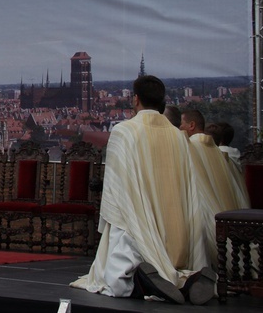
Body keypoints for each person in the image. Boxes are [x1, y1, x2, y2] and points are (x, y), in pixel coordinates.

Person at [71, 75, 213, 305]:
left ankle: (142, 281)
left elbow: (116, 189)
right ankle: (187, 281)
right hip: (176, 228)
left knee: (115, 278)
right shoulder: (178, 136)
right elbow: (189, 185)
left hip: (139, 223)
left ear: (135, 99)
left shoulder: (124, 131)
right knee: (174, 267)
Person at [180, 109, 249, 265]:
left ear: (191, 125)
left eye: (181, 124)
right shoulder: (216, 151)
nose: (179, 129)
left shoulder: (193, 148)